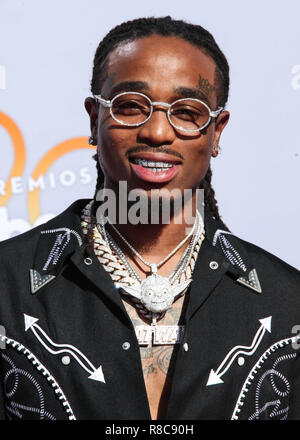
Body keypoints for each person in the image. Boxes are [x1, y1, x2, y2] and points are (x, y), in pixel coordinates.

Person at [0, 16, 299, 421]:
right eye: (130, 106)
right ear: (93, 119)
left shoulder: (287, 303)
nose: (157, 132)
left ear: (217, 132)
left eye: (187, 111)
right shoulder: (8, 283)